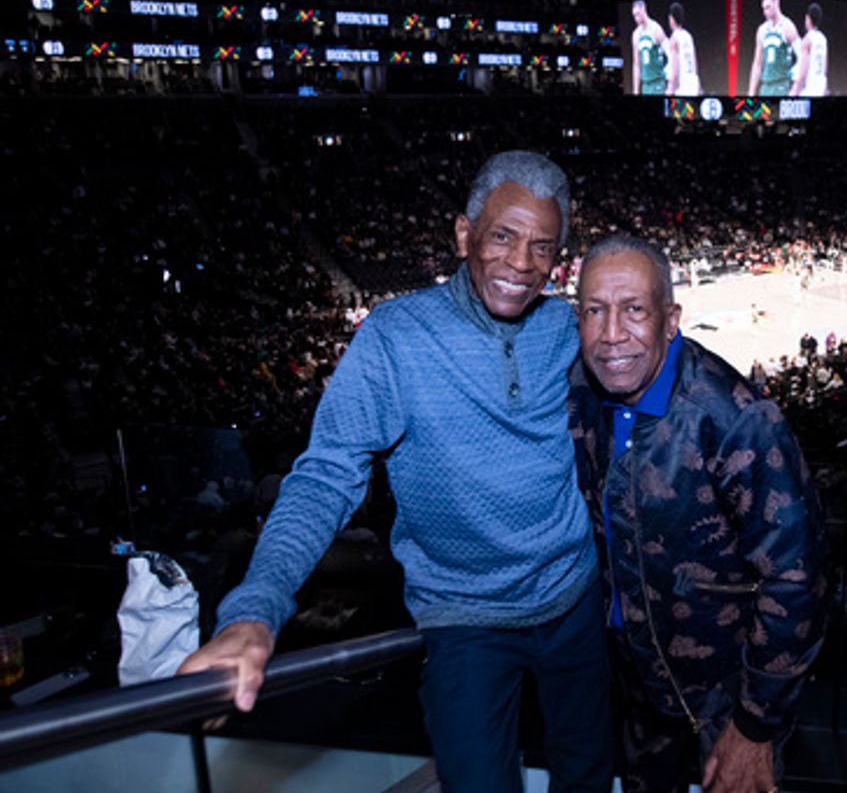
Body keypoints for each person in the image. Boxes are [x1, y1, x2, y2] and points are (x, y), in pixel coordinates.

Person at [178, 152, 611, 793]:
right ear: (463, 234)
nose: (522, 263)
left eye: (543, 247)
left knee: (589, 778)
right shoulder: (394, 337)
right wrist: (255, 611)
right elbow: (326, 476)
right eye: (503, 236)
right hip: (465, 619)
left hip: (576, 602)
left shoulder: (568, 329)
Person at [569, 234, 826, 793]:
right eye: (594, 311)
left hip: (727, 698)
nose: (612, 334)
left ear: (671, 319)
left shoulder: (737, 420)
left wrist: (755, 726)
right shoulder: (583, 392)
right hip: (637, 684)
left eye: (634, 309)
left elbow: (796, 578)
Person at [747, 0, 800, 97]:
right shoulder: (762, 30)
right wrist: (751, 92)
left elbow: (803, 56)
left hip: (782, 85)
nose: (765, 12)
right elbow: (757, 63)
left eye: (768, 7)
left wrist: (795, 86)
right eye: (763, 9)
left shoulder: (788, 26)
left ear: (776, 3)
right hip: (766, 86)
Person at [789, 3, 828, 98]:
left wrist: (794, 91)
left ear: (808, 18)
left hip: (809, 89)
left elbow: (802, 72)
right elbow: (825, 68)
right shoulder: (823, 39)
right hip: (820, 87)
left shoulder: (807, 40)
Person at [632, 0, 670, 96]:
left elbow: (670, 52)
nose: (636, 18)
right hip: (646, 85)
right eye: (634, 16)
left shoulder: (656, 28)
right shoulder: (636, 35)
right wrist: (636, 90)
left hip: (658, 83)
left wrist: (670, 79)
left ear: (643, 9)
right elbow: (636, 64)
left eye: (638, 14)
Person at [666, 2, 701, 97]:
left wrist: (670, 90)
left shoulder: (674, 39)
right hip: (694, 83)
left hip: (683, 87)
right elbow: (695, 63)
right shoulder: (688, 36)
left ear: (671, 18)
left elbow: (674, 70)